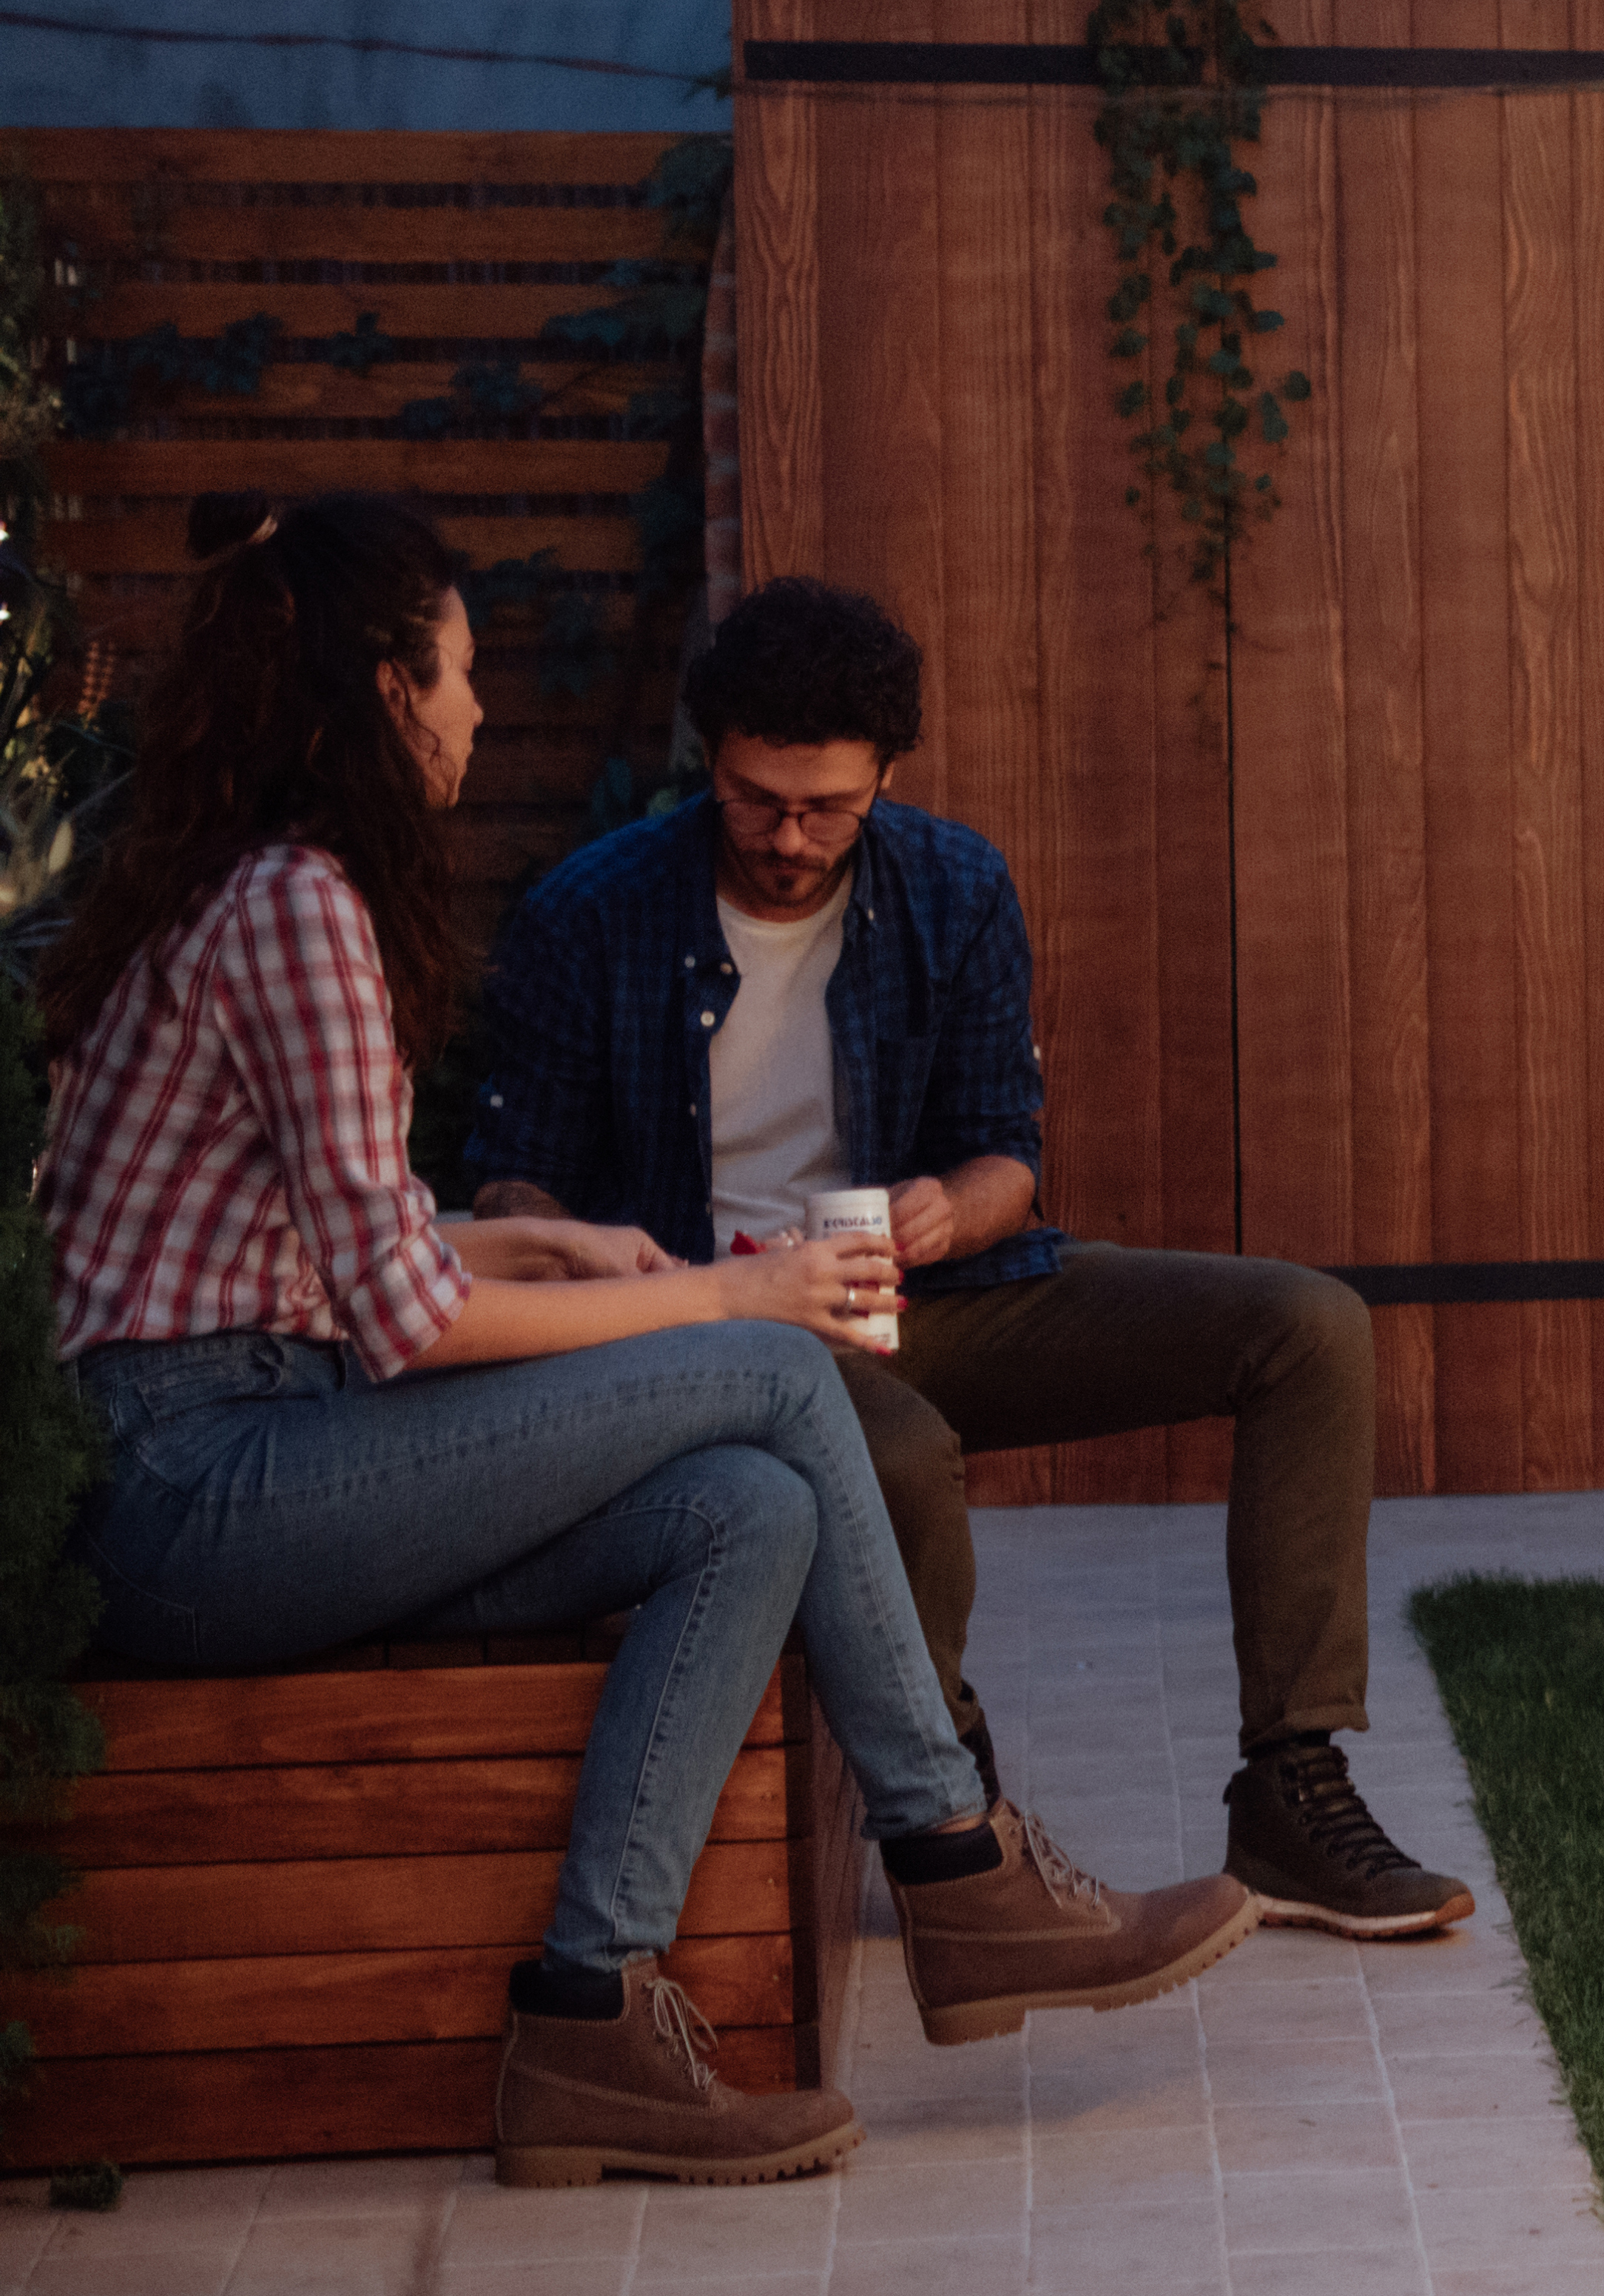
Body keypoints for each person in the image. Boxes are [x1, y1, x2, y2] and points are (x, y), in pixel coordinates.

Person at [41, 501, 1258, 2187]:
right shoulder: (301, 904)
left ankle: (590, 2018)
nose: (479, 712)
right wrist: (716, 1292)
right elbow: (403, 1320)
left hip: (248, 1437)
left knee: (743, 1507)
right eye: (460, 675)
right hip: (198, 1482)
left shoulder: (255, 884)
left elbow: (334, 1254)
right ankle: (958, 1857)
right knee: (766, 1368)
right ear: (386, 690)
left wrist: (542, 1236)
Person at [464, 578, 1467, 1939]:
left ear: (887, 770)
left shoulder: (952, 883)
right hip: (718, 1336)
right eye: (759, 799)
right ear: (712, 762)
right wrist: (608, 1264)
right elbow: (509, 1181)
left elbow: (1010, 1157)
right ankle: (961, 1822)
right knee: (903, 1452)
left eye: (830, 805)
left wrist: (948, 1206)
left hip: (928, 1293)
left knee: (1306, 1324)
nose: (791, 838)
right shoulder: (594, 913)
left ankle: (1294, 1783)